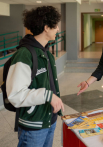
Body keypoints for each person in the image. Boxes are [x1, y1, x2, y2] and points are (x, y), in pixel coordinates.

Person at [6, 6, 64, 147]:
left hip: (50, 120)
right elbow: (15, 94)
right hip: (33, 126)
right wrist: (48, 96)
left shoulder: (48, 54)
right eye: (55, 26)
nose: (57, 29)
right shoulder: (24, 54)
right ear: (46, 27)